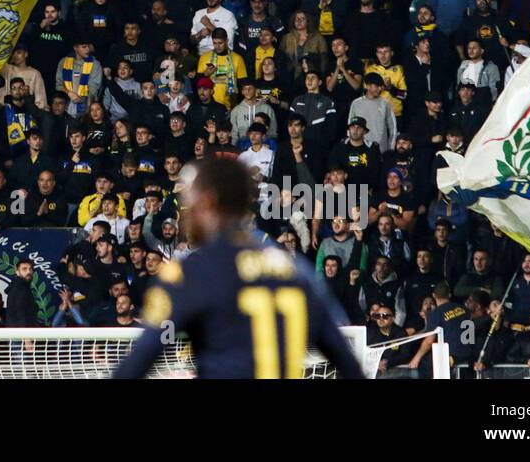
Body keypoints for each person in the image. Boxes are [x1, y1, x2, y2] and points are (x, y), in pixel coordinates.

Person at [114, 156, 363, 378]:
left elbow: (137, 362)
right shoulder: (297, 270)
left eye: (188, 202)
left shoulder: (192, 273)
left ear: (208, 202)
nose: (185, 214)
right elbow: (349, 365)